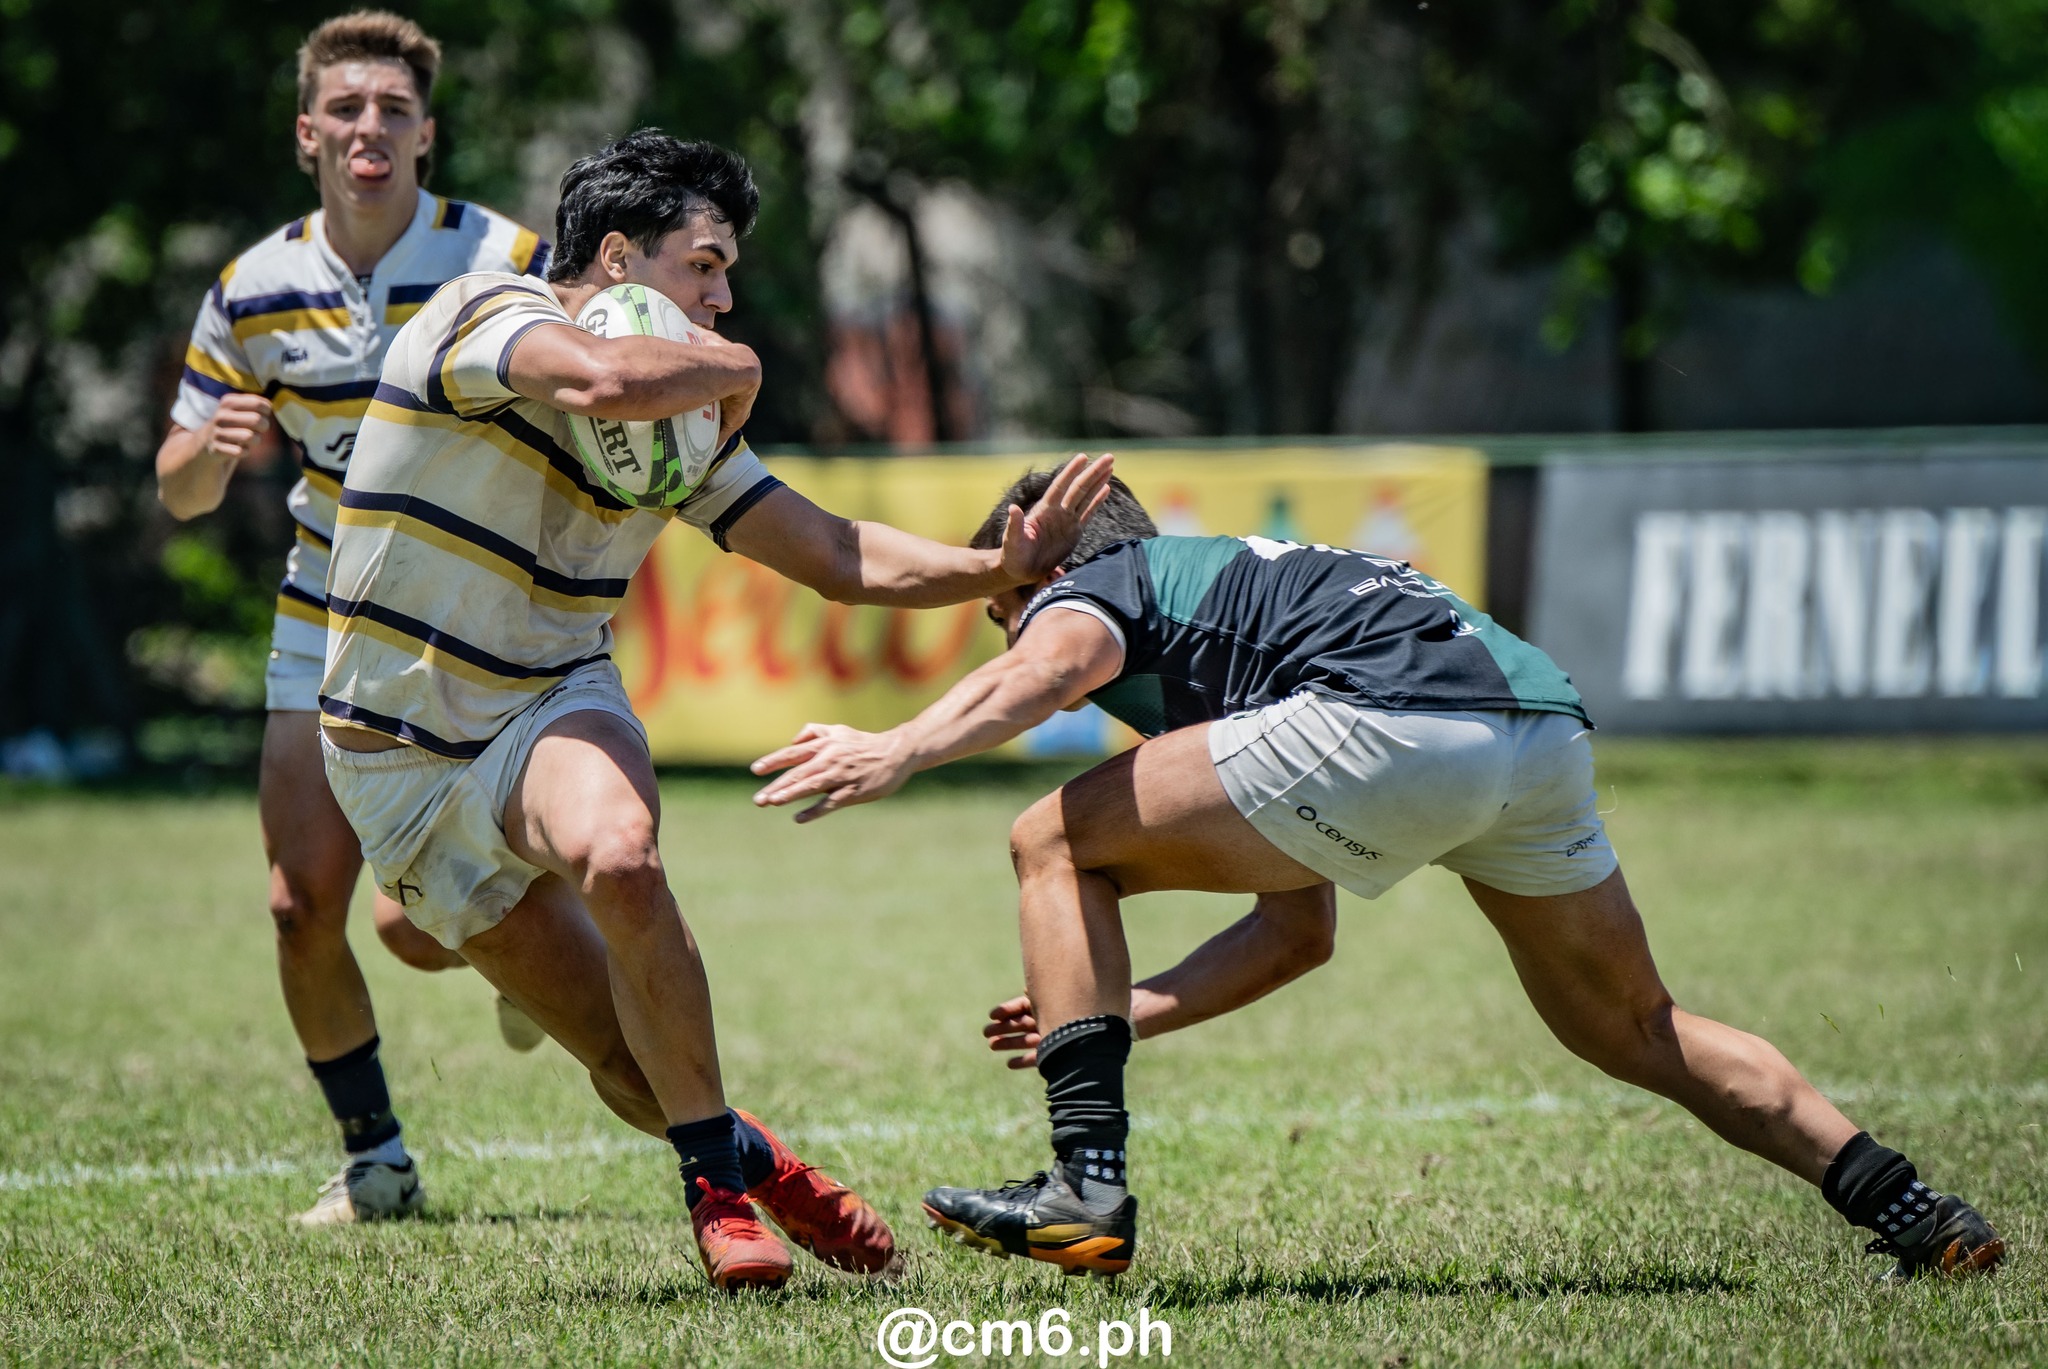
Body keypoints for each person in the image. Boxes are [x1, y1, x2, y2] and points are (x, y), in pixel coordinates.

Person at [750, 470, 2008, 1284]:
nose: (1006, 628)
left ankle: (1084, 1187)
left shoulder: (1098, 583)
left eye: (1000, 604)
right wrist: (1119, 1010)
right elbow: (1296, 932)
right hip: (1533, 728)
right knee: (1635, 1025)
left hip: (1388, 721)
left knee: (1047, 837)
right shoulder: (1243, 591)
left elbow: (1048, 667)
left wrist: (899, 744)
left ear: (1042, 570)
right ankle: (1912, 1209)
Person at [317, 130, 1114, 1288]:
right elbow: (595, 378)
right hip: (391, 763)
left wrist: (996, 566)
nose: (723, 294)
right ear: (616, 256)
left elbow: (836, 555)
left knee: (622, 856)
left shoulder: (677, 424)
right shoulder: (479, 314)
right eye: (703, 264)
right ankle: (756, 1159)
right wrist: (736, 370)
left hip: (544, 700)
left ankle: (713, 1194)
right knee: (623, 1057)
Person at [155, 11, 556, 1227]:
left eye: (391, 109)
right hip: (323, 612)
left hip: (472, 614)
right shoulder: (252, 288)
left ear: (426, 133)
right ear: (306, 134)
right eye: (345, 108)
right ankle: (375, 1157)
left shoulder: (506, 256)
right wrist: (209, 454)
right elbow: (175, 488)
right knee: (299, 904)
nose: (367, 127)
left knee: (418, 929)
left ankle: (542, 917)